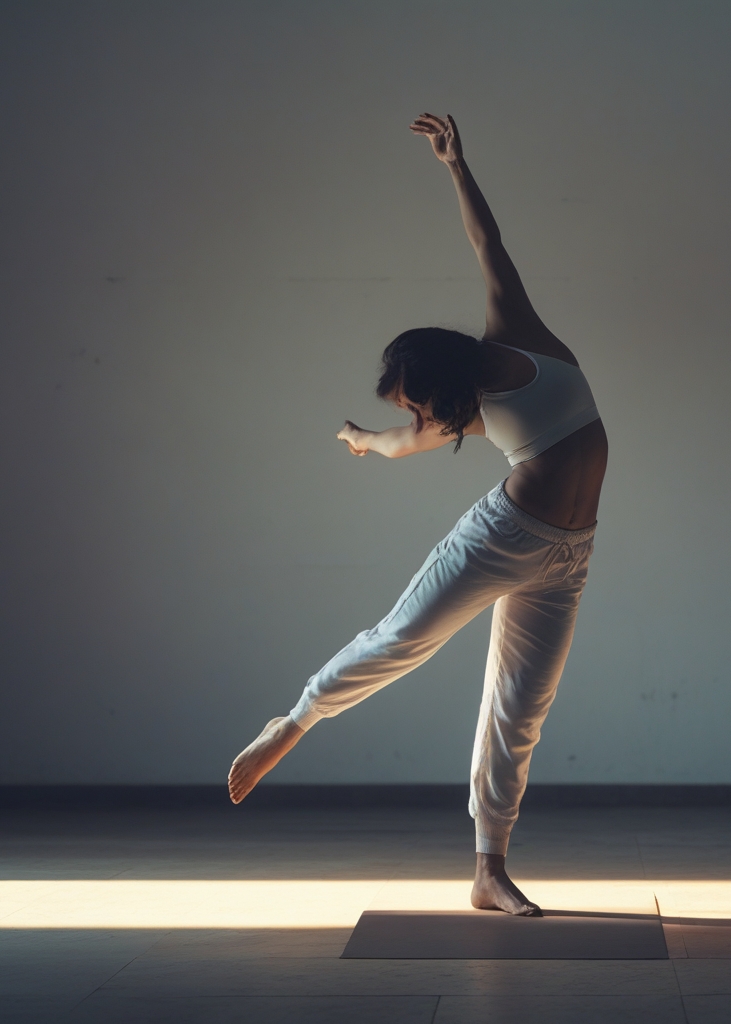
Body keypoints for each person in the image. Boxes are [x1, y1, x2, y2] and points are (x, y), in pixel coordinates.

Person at [228, 113, 608, 916]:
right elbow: (404, 443)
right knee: (400, 641)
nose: (418, 416)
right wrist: (364, 440)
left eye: (415, 401)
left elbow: (487, 245)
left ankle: (488, 869)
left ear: (440, 375)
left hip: (569, 554)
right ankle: (294, 721)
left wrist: (456, 165)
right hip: (501, 540)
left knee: (519, 709)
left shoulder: (516, 339)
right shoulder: (461, 412)